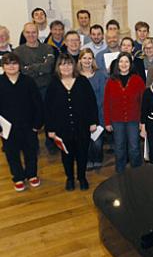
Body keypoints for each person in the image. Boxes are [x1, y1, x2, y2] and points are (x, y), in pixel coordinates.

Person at [45, 54, 98, 191]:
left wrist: (93, 122)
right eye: (63, 64)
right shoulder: (53, 84)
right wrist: (50, 129)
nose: (66, 67)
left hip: (82, 126)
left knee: (82, 153)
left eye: (69, 64)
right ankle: (70, 178)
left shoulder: (82, 81)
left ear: (74, 66)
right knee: (66, 155)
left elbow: (91, 103)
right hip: (62, 127)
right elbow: (48, 109)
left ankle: (82, 177)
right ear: (58, 67)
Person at [0, 53, 43, 192]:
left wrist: (37, 124)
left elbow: (38, 104)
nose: (11, 66)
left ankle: (31, 174)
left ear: (19, 65)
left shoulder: (28, 81)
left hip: (28, 125)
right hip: (6, 127)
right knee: (12, 154)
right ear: (3, 66)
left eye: (14, 63)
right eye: (7, 63)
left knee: (31, 151)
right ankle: (18, 177)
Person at [104, 52, 145, 173]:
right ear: (117, 64)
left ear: (130, 64)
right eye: (121, 61)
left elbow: (143, 103)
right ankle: (120, 172)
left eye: (126, 61)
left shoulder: (137, 80)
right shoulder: (111, 81)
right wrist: (107, 122)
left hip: (134, 120)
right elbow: (106, 103)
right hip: (117, 121)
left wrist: (142, 122)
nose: (124, 64)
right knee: (119, 147)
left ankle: (136, 171)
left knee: (134, 147)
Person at [78, 48, 108, 170]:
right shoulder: (76, 76)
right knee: (85, 141)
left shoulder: (100, 74)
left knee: (97, 142)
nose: (87, 60)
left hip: (98, 113)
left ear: (93, 60)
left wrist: (94, 116)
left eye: (89, 58)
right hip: (81, 115)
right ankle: (88, 159)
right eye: (84, 58)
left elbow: (103, 96)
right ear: (80, 60)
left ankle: (97, 158)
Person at [14, 22, 55, 99]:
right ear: (23, 33)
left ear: (37, 33)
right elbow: (22, 72)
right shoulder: (17, 52)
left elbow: (48, 68)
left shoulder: (48, 48)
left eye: (34, 32)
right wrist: (41, 68)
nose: (31, 35)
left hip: (46, 89)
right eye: (28, 32)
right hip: (27, 90)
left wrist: (30, 67)